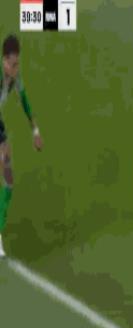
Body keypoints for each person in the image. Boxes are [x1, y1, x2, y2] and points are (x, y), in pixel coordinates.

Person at [0, 34, 43, 258]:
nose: (16, 69)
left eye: (17, 64)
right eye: (12, 64)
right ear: (4, 61)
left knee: (8, 178)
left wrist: (35, 131)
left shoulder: (14, 79)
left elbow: (25, 101)